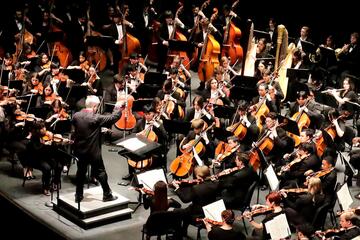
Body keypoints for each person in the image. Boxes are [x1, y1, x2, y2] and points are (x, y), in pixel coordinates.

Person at [72, 95, 121, 203]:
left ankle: (78, 195)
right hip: (93, 152)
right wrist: (117, 107)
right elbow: (113, 118)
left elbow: (83, 129)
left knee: (80, 172)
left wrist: (98, 129)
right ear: (95, 106)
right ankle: (107, 194)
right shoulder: (96, 117)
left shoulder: (76, 116)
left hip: (80, 151)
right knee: (101, 172)